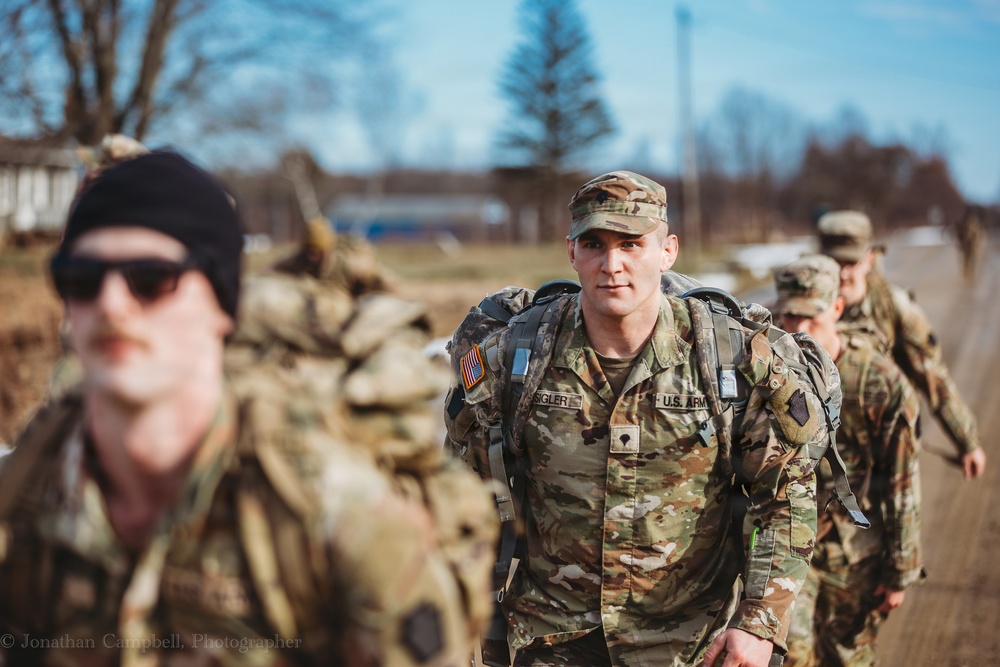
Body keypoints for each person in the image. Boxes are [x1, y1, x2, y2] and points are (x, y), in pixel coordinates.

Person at [0, 151, 497, 666]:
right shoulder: (23, 492)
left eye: (150, 279)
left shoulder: (335, 514)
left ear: (222, 303)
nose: (110, 305)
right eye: (80, 278)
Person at [445, 171, 829, 667]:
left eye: (632, 244)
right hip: (551, 640)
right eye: (594, 244)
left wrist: (759, 622)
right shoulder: (512, 358)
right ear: (571, 253)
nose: (613, 264)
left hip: (687, 645)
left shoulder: (731, 361)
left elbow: (784, 493)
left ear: (668, 250)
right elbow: (457, 493)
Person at [774, 255, 923, 666]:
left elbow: (902, 480)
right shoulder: (763, 372)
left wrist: (901, 569)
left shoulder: (879, 381)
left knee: (846, 655)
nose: (798, 330)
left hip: (855, 552)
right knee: (790, 656)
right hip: (788, 548)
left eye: (812, 318)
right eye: (787, 315)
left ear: (837, 308)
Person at [816, 210, 986, 480]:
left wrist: (967, 442)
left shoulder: (894, 308)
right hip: (822, 457)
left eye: (851, 261)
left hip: (883, 452)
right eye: (833, 262)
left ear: (869, 258)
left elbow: (934, 378)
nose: (842, 273)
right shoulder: (803, 310)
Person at [271, 215, 392, 296]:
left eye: (318, 251)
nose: (312, 256)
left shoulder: (349, 263)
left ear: (327, 248)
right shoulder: (299, 260)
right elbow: (272, 270)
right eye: (309, 250)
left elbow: (383, 281)